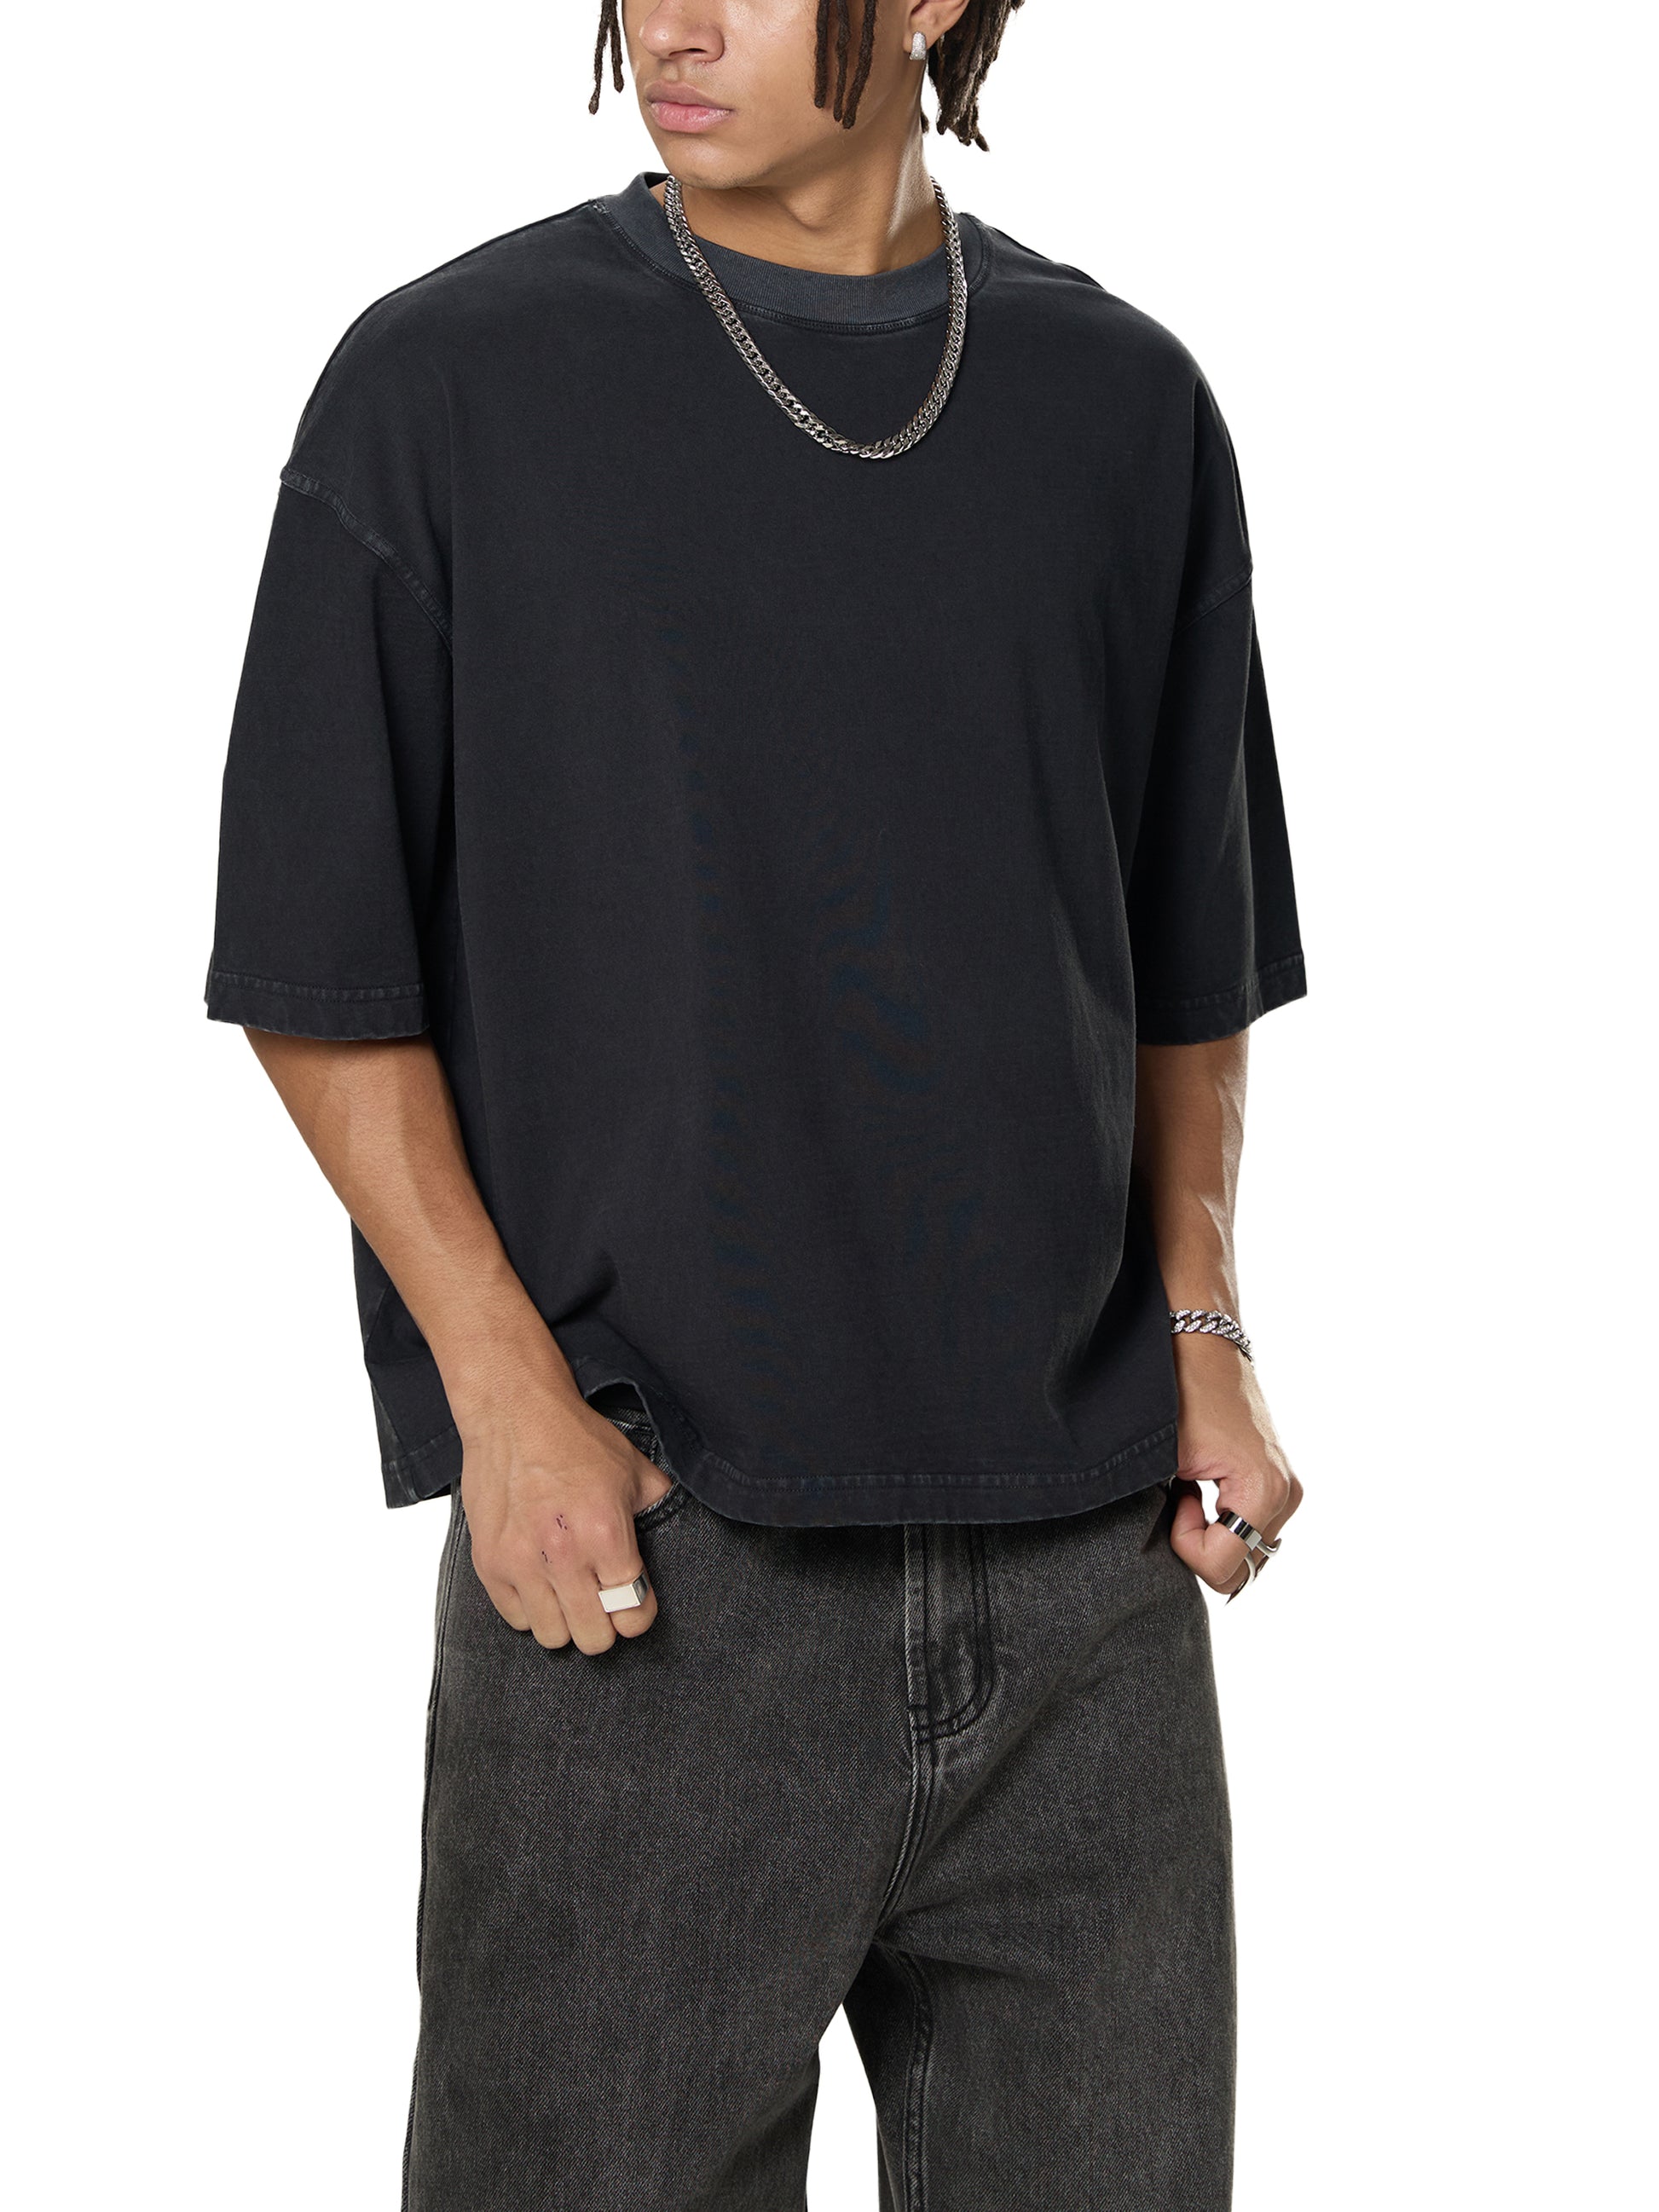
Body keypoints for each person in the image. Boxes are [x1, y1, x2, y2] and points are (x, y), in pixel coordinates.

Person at [205, 3, 1306, 2204]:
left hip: (1084, 1592)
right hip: (649, 1571)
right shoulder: (448, 386)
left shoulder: (1124, 406)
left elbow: (1185, 955)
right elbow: (317, 962)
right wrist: (501, 1393)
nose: (671, 24)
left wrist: (1203, 1318)